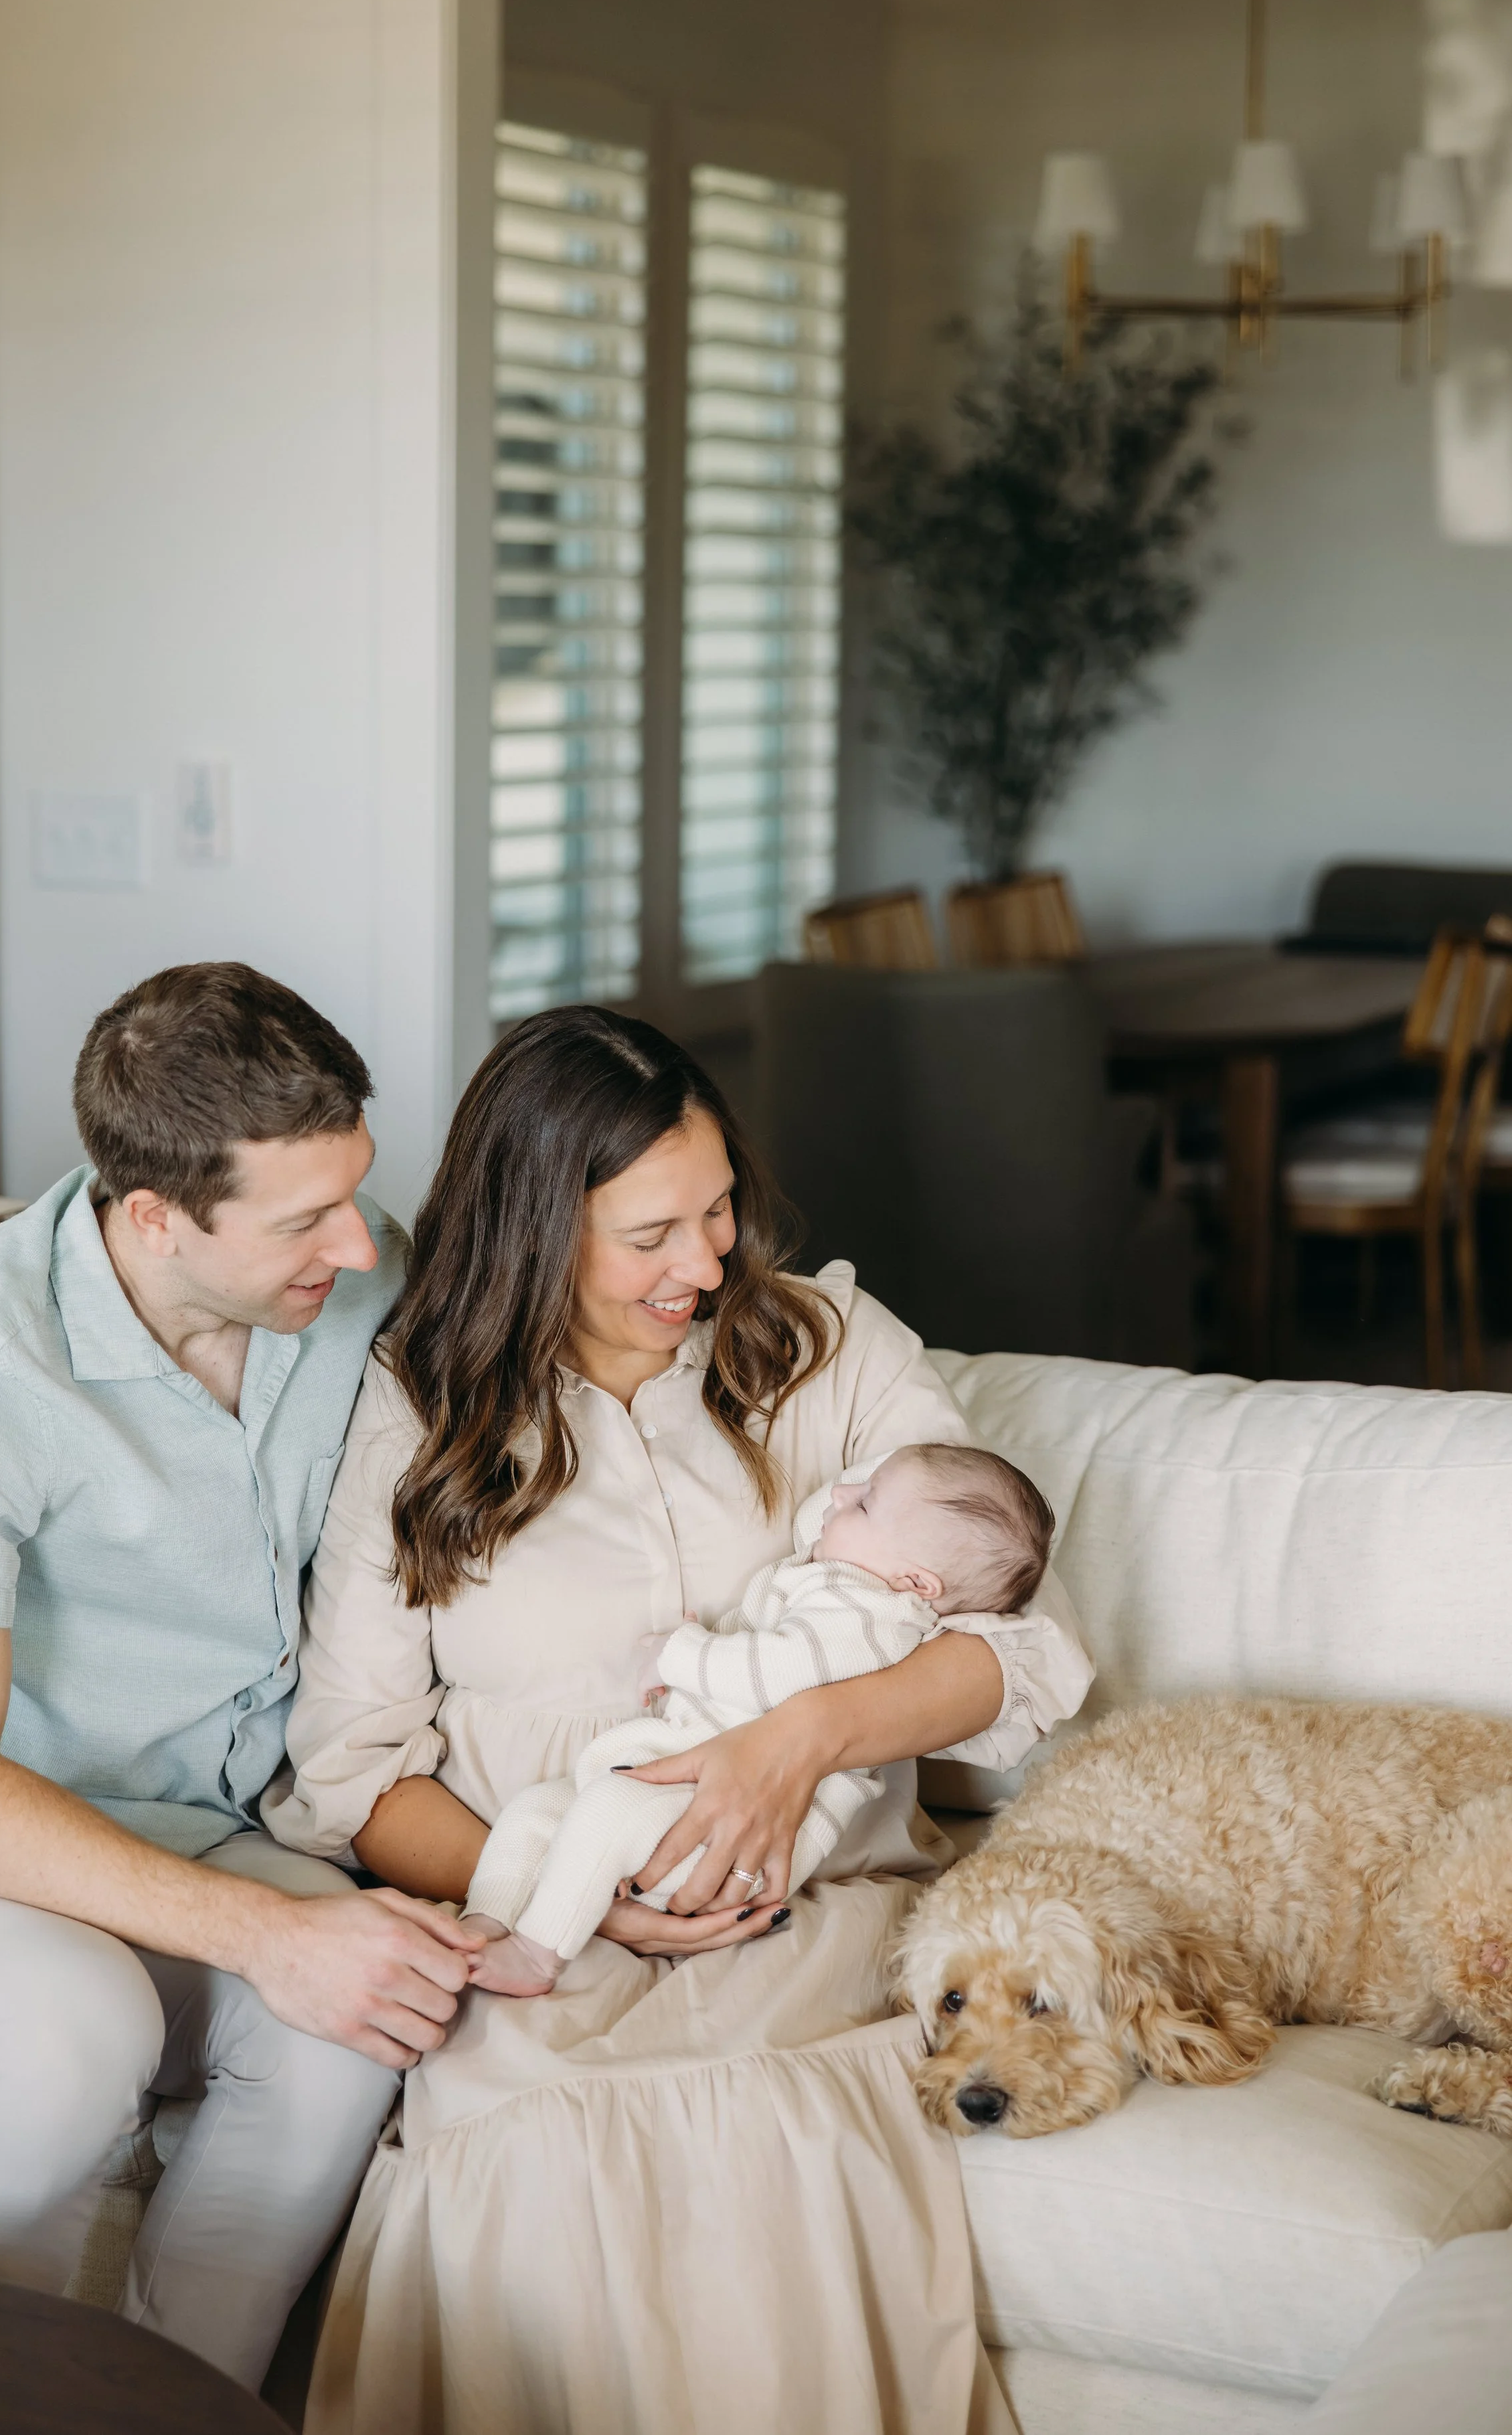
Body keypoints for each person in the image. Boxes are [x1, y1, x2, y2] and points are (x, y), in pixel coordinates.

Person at [265, 1003, 1094, 2435]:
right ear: (532, 1227)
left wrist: (800, 1740)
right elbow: (351, 1765)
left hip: (809, 1904)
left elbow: (1024, 1648)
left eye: (717, 1210)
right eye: (650, 1233)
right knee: (519, 2162)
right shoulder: (420, 1411)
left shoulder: (823, 1349)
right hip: (538, 1910)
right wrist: (551, 1889)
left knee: (759, 2144)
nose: (704, 1261)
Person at [0, 962, 476, 2393]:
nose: (360, 1249)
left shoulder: (349, 1283)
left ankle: (177, 2408)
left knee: (356, 2025)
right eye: (304, 1218)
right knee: (72, 2031)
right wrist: (266, 1932)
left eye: (352, 1194)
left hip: (220, 1825)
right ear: (152, 1216)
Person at [460, 1442, 1058, 1995]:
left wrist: (678, 1653)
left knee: (601, 1813)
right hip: (687, 1786)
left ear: (916, 1581)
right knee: (537, 1810)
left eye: (866, 1503)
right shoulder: (848, 1576)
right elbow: (829, 1520)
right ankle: (486, 1919)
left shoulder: (871, 1618)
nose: (840, 1495)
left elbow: (780, 1674)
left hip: (728, 1833)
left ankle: (539, 1955)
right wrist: (861, 1510)